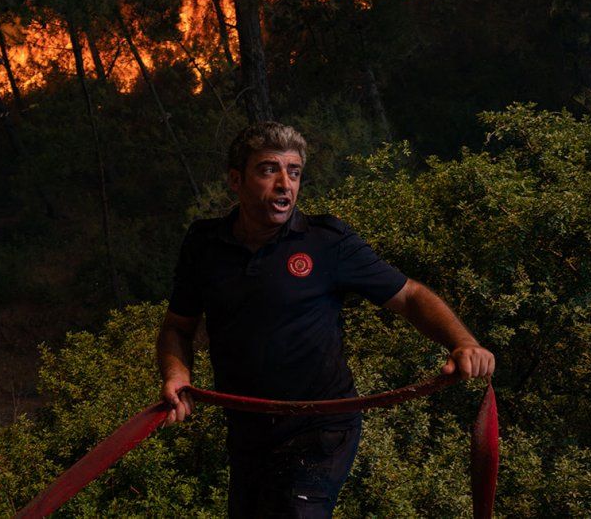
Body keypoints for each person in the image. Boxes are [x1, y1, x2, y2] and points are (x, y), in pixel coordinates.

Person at [156, 121, 495, 518]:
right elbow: (178, 327)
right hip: (248, 433)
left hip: (321, 430)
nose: (285, 183)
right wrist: (176, 375)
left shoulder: (326, 242)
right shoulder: (204, 243)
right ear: (236, 179)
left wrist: (464, 343)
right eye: (269, 170)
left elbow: (410, 296)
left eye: (294, 172)